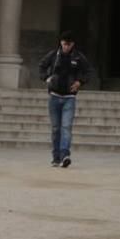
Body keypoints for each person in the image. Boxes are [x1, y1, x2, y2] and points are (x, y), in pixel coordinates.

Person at [37, 32, 91, 168]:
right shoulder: (53, 55)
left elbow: (88, 71)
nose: (66, 46)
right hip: (54, 96)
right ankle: (56, 157)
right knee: (56, 128)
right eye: (64, 43)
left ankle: (65, 155)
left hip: (69, 98)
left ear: (73, 44)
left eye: (69, 44)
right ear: (61, 42)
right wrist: (46, 78)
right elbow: (42, 66)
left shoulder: (78, 57)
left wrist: (80, 82)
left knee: (66, 127)